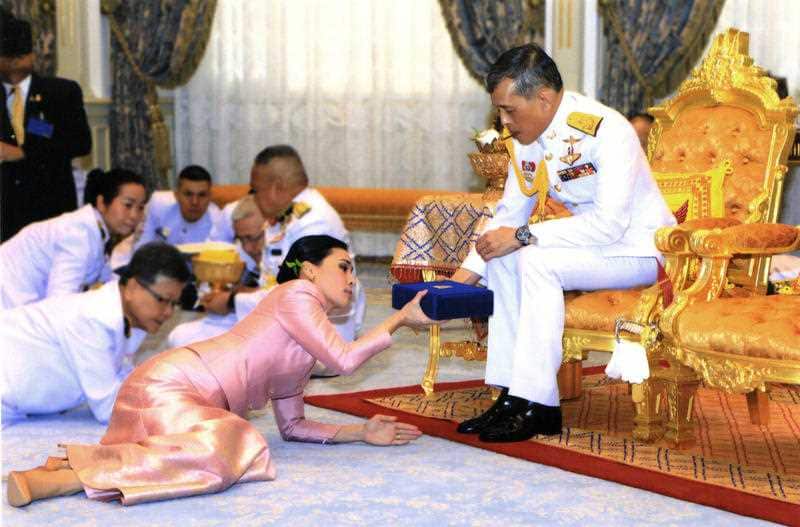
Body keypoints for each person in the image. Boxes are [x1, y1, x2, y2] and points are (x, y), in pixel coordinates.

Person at [6, 235, 433, 508]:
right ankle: (69, 478)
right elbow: (343, 360)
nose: (353, 279)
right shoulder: (296, 295)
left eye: (355, 270)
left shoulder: (304, 346)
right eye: (344, 266)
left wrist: (361, 433)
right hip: (167, 386)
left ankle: (65, 471)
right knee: (235, 442)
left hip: (183, 402)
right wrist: (397, 321)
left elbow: (293, 427)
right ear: (308, 271)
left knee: (230, 442)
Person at [449, 43, 675, 443]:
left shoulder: (607, 130)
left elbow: (608, 225)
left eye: (508, 110)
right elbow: (509, 215)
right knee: (505, 259)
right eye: (499, 111)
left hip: (640, 249)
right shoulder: (525, 137)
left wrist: (520, 238)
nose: (503, 122)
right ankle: (510, 395)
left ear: (543, 98)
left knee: (533, 259)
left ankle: (540, 404)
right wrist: (462, 278)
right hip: (593, 248)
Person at [1, 242, 189, 427]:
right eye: (163, 300)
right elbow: (109, 408)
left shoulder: (122, 318)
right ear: (132, 287)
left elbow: (124, 380)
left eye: (174, 304)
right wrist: (175, 411)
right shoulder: (93, 319)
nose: (169, 313)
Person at [246, 145, 366, 341]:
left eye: (255, 190)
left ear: (277, 187)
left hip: (321, 336)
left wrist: (235, 302)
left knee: (200, 341)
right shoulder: (292, 213)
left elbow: (302, 296)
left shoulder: (313, 222)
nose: (254, 197)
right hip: (296, 319)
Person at [0, 168, 147, 310]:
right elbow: (59, 303)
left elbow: (108, 283)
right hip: (9, 301)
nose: (134, 215)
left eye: (140, 208)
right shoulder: (77, 234)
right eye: (128, 205)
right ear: (102, 203)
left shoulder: (96, 233)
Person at [0, 13, 92, 241]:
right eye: (7, 57)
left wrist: (23, 153)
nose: (13, 63)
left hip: (49, 205)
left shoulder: (61, 93)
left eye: (19, 56)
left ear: (32, 55)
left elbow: (80, 142)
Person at [167, 194, 267, 347]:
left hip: (271, 328)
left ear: (270, 227)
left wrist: (232, 299)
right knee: (180, 336)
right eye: (241, 239)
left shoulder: (289, 249)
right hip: (242, 319)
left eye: (253, 238)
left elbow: (281, 298)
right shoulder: (241, 252)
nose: (248, 247)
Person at [133, 164, 223, 250]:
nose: (195, 202)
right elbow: (142, 246)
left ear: (210, 197)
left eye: (202, 195)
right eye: (188, 194)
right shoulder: (158, 204)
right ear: (176, 195)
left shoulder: (218, 223)